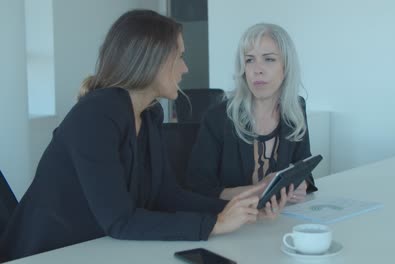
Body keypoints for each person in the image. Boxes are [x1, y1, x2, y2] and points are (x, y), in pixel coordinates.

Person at [0, 10, 283, 262]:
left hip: (98, 248)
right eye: (180, 56)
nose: (185, 68)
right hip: (49, 252)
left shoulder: (148, 115)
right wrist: (216, 223)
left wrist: (243, 210)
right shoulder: (96, 115)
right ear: (153, 60)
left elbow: (166, 195)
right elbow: (121, 221)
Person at [186, 23, 318, 203]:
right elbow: (198, 189)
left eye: (269, 59)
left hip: (282, 220)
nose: (257, 69)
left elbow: (303, 165)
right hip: (232, 225)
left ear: (286, 67)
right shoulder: (218, 118)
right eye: (249, 60)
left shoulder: (295, 108)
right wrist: (260, 190)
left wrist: (301, 184)